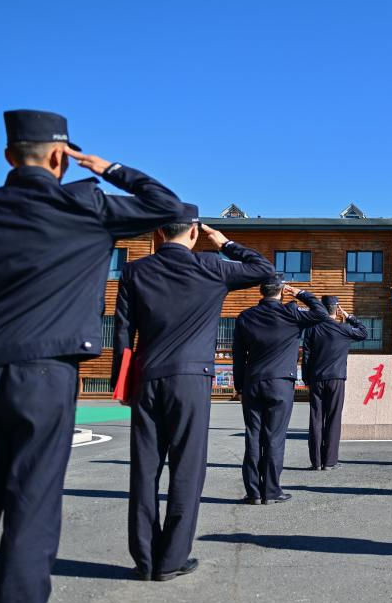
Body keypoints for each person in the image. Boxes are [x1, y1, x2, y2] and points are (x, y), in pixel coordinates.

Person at [0, 109, 183, 603]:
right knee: (32, 507)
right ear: (60, 157)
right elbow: (168, 207)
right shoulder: (84, 204)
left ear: (7, 156)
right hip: (46, 376)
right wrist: (108, 166)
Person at [111, 207, 273, 581]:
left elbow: (123, 333)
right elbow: (264, 270)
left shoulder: (135, 271)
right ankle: (171, 559)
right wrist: (226, 243)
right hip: (191, 380)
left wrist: (124, 380)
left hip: (147, 378)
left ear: (160, 233)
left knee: (145, 469)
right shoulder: (212, 267)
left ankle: (145, 558)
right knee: (187, 467)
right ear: (196, 232)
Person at [233, 276, 329, 502]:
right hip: (280, 384)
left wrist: (239, 387)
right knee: (274, 437)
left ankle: (254, 492)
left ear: (261, 291)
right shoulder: (291, 314)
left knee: (253, 437)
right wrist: (300, 293)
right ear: (282, 291)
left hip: (253, 382)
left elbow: (239, 356)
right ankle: (271, 491)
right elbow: (322, 314)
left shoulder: (245, 317)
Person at [302, 295, 367, 470]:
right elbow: (363, 332)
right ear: (336, 309)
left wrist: (306, 378)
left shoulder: (312, 329)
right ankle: (329, 462)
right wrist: (350, 317)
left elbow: (306, 356)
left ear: (322, 308)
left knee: (316, 418)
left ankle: (316, 462)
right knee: (333, 418)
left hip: (316, 378)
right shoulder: (344, 329)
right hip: (337, 378)